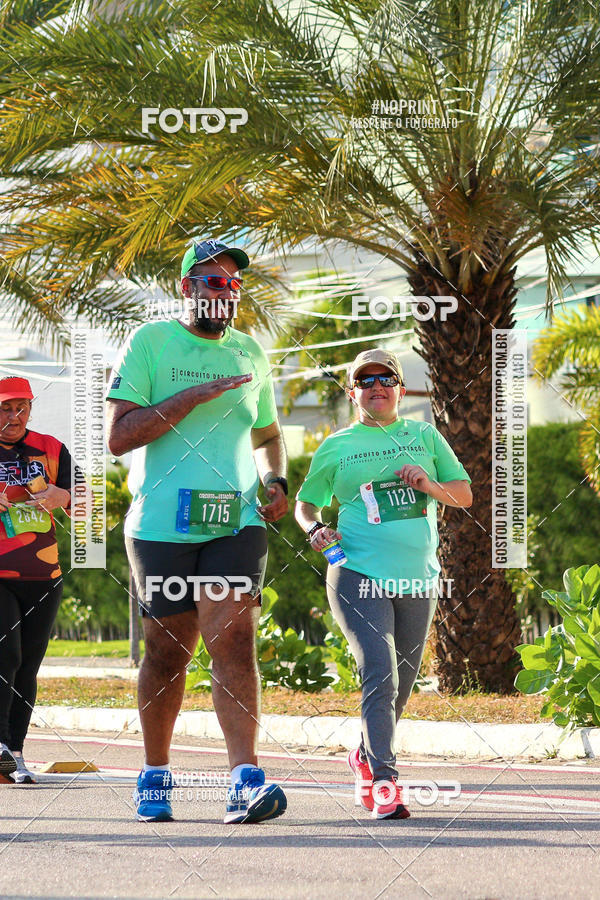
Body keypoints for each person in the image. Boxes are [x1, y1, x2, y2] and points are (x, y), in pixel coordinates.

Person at [106, 238, 288, 824]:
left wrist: (276, 481)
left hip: (234, 519)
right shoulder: (150, 343)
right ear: (187, 287)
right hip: (161, 524)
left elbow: (266, 434)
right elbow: (120, 436)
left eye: (234, 285)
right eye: (214, 282)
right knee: (167, 651)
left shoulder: (251, 353)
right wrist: (190, 397)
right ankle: (155, 773)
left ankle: (244, 779)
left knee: (233, 638)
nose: (226, 293)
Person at [295, 349, 472, 819]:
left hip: (418, 579)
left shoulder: (424, 435)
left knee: (402, 686)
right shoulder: (337, 445)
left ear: (400, 389)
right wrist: (315, 530)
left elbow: (464, 495)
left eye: (386, 378)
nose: (377, 386)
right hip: (356, 572)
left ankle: (363, 756)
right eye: (366, 380)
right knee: (380, 668)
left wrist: (428, 485)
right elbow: (306, 504)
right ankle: (385, 782)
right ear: (354, 394)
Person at [0, 376, 74, 783]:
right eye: (6, 408)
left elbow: (85, 500)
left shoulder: (51, 448)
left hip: (43, 572)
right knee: (5, 655)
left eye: (22, 407)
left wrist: (63, 496)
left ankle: (15, 751)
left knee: (28, 665)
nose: (15, 416)